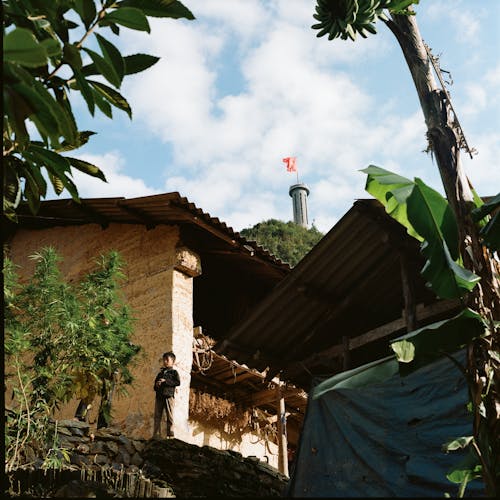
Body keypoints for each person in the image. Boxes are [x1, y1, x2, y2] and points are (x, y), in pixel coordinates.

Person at [153, 351, 180, 439]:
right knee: (157, 416)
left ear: (172, 361)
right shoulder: (160, 373)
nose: (165, 361)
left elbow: (177, 382)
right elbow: (154, 387)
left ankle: (170, 434)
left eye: (167, 360)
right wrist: (157, 384)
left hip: (169, 396)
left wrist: (165, 382)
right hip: (159, 396)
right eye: (164, 360)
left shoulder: (174, 373)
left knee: (170, 416)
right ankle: (156, 434)